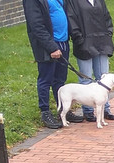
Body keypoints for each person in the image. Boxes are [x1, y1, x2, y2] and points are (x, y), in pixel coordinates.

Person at [23, 0, 84, 129]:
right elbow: (36, 26)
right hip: (48, 46)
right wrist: (51, 47)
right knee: (46, 79)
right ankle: (45, 112)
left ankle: (62, 111)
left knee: (60, 79)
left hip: (63, 42)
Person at [66, 0, 114, 123]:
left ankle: (105, 108)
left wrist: (108, 33)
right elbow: (71, 20)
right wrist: (78, 38)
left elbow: (106, 17)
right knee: (86, 78)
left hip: (102, 41)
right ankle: (88, 110)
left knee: (103, 77)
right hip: (84, 42)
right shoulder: (73, 2)